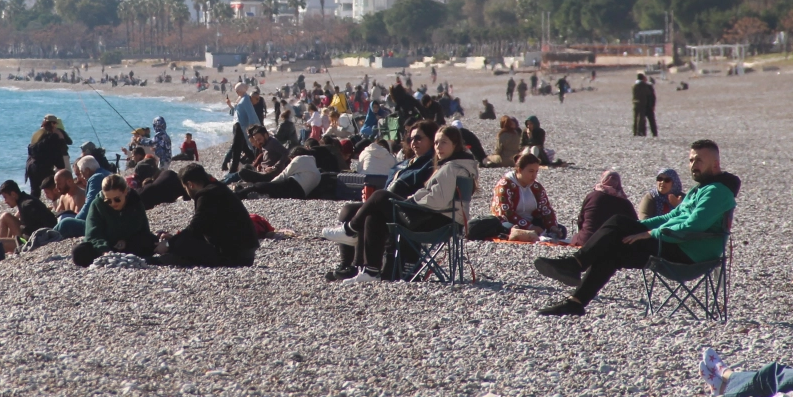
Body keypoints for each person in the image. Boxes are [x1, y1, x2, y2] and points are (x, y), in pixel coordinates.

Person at [534, 139, 738, 316]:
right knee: (616, 238)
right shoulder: (700, 189)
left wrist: (649, 233)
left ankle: (576, 264)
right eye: (691, 160)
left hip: (689, 253)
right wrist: (635, 228)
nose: (693, 165)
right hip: (674, 244)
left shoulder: (717, 191)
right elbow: (670, 216)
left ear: (715, 163)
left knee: (618, 228)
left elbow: (693, 226)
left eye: (699, 160)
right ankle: (576, 302)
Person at [324, 124, 475, 280]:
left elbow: (438, 200)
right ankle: (370, 271)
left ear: (455, 145)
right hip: (439, 217)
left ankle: (350, 230)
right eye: (436, 143)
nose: (438, 147)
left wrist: (413, 200)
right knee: (375, 212)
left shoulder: (451, 167)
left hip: (437, 221)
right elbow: (436, 195)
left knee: (380, 196)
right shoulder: (452, 165)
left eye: (443, 142)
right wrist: (416, 198)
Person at [152, 165, 260, 268]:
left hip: (234, 256)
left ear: (190, 185)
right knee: (182, 242)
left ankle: (158, 261)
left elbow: (195, 228)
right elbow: (203, 227)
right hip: (244, 253)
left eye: (185, 187)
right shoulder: (218, 188)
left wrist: (168, 244)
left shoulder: (207, 195)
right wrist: (175, 239)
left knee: (182, 245)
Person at [73, 175, 156, 268]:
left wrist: (126, 242)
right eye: (108, 201)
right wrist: (105, 251)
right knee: (79, 252)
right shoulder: (97, 204)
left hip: (130, 244)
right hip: (105, 245)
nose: (113, 204)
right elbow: (93, 234)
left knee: (150, 241)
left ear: (125, 192)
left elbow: (144, 230)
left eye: (117, 199)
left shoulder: (135, 202)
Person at [490, 153, 562, 241]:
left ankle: (535, 235)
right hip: (509, 222)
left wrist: (552, 226)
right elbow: (506, 213)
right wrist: (530, 227)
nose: (534, 175)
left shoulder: (536, 187)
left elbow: (545, 209)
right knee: (508, 229)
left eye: (536, 171)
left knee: (561, 230)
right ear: (519, 170)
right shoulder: (504, 185)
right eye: (531, 171)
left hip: (531, 221)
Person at [568, 171, 636, 247]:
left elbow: (581, 220)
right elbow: (635, 223)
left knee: (576, 237)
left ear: (603, 179)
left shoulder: (592, 196)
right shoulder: (625, 202)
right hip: (612, 243)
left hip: (587, 240)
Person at [234, 150, 321, 200]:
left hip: (292, 184)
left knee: (259, 186)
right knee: (274, 193)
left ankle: (237, 195)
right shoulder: (317, 173)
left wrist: (269, 184)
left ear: (294, 156)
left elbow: (284, 174)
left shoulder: (299, 159)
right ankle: (264, 195)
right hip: (299, 195)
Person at [0, 180, 57, 247]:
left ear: (13, 194)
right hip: (32, 235)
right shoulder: (25, 199)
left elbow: (30, 232)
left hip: (32, 240)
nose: (5, 201)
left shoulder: (27, 205)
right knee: (5, 216)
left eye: (5, 197)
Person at [26, 115, 72, 199]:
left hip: (31, 166)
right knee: (55, 188)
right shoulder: (54, 137)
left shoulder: (37, 136)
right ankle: (60, 206)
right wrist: (61, 139)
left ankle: (31, 208)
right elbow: (58, 154)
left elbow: (31, 150)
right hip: (43, 168)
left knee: (35, 192)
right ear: (54, 124)